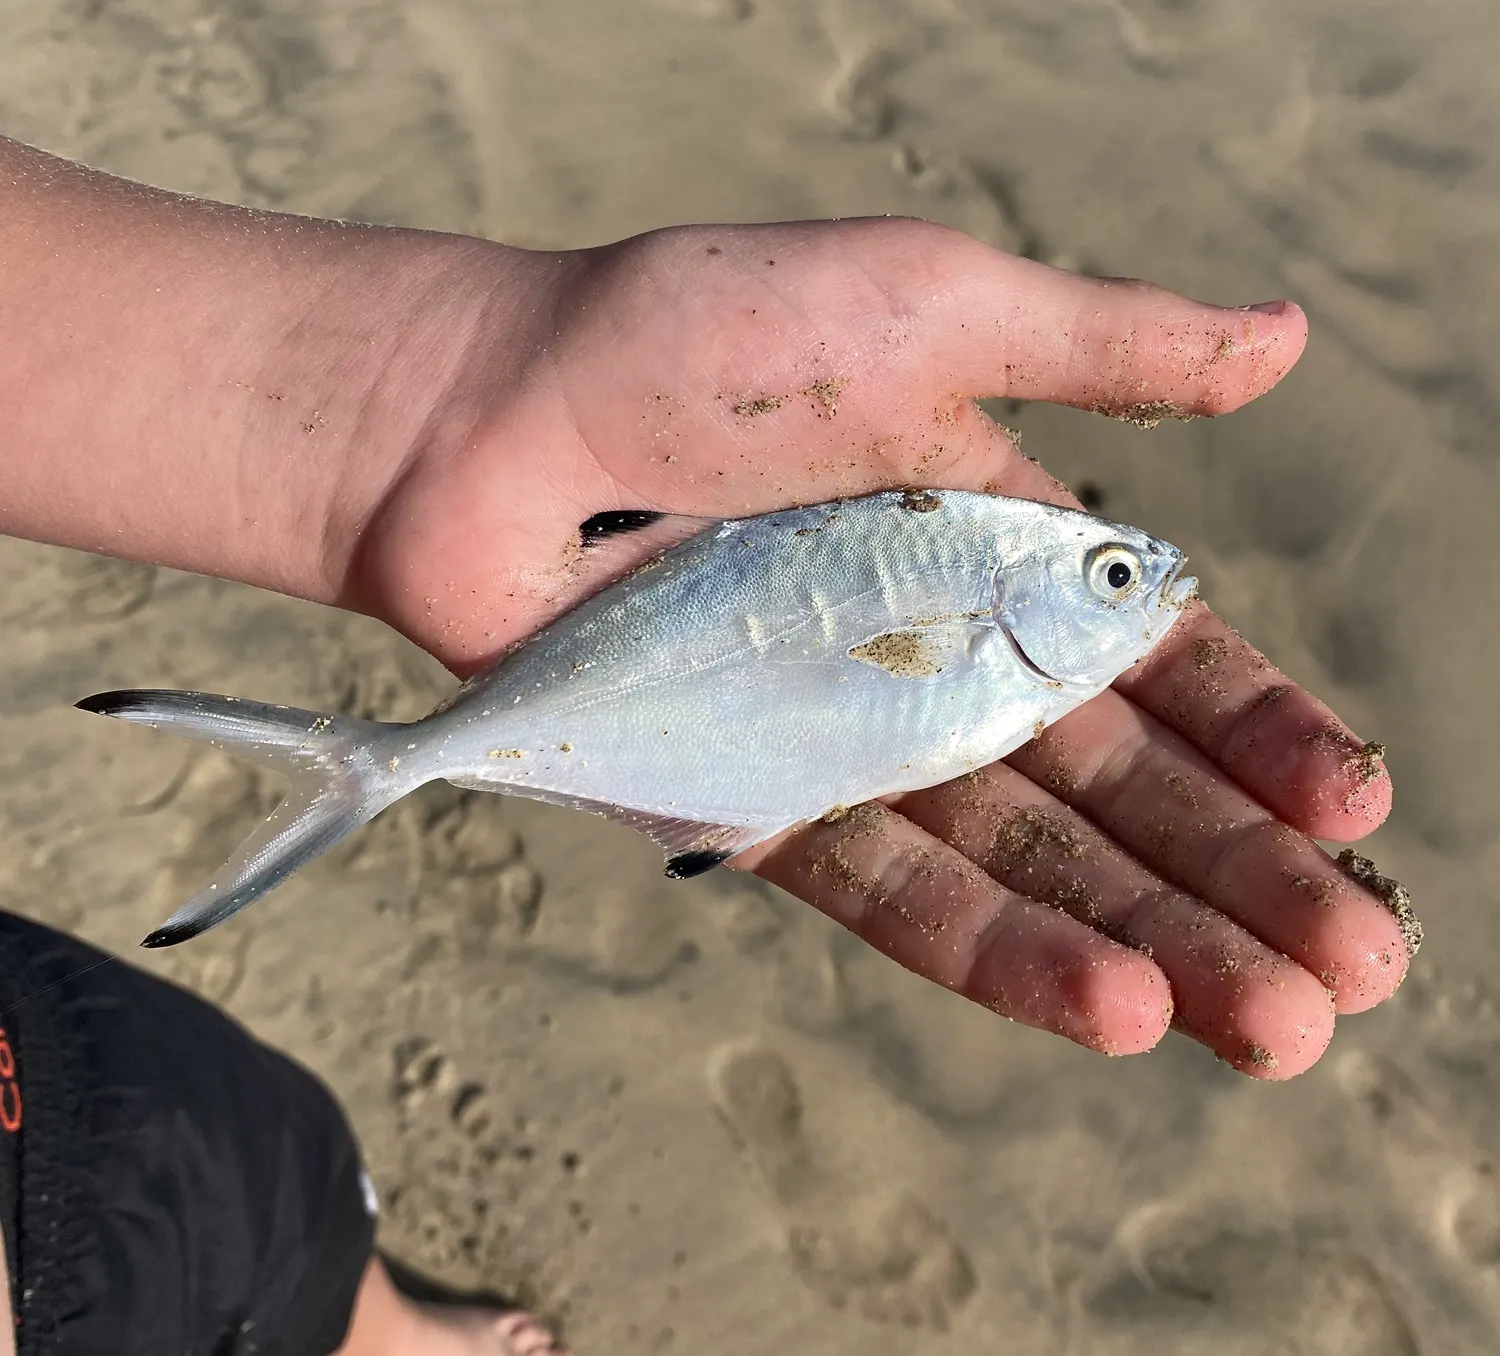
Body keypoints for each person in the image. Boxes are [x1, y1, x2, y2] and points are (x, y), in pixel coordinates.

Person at [0, 135, 1411, 1353]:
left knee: (253, 1169)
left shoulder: (988, 619)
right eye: (1109, 576)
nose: (1141, 592)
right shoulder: (980, 600)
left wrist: (435, 394)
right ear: (1024, 588)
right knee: (239, 1193)